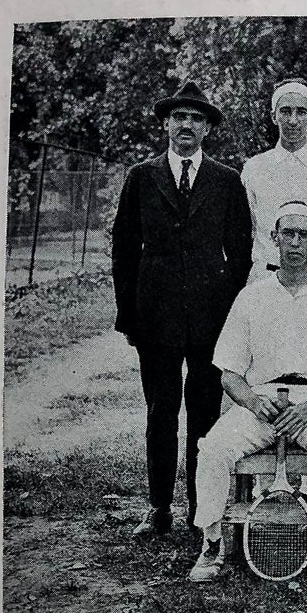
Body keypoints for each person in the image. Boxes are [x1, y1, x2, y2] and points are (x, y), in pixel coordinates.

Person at [111, 80, 254, 539]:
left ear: (208, 128)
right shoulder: (141, 176)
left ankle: (201, 507)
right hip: (156, 318)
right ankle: (158, 508)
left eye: (196, 118)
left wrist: (226, 310)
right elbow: (124, 250)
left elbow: (241, 251)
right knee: (161, 412)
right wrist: (130, 315)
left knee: (205, 414)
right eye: (179, 117)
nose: (186, 125)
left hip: (210, 320)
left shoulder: (227, 181)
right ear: (166, 124)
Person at [188, 202, 307, 586]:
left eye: (304, 235)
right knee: (212, 447)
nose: (295, 243)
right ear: (273, 239)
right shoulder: (251, 297)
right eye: (288, 234)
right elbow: (229, 374)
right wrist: (252, 402)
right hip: (259, 401)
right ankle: (212, 542)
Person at [240, 79, 307, 284]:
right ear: (274, 116)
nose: (293, 120)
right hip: (265, 278)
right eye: (286, 111)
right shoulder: (254, 168)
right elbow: (248, 228)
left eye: (301, 112)